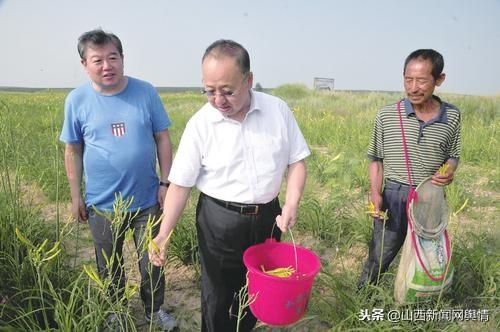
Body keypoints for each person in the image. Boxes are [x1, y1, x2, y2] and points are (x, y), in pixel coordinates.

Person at [149, 39, 310, 332]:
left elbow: (297, 161)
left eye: (228, 91)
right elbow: (180, 185)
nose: (218, 100)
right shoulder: (201, 124)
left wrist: (291, 202)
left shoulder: (277, 111)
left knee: (257, 289)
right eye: (209, 91)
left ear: (248, 80)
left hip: (267, 218)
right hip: (219, 221)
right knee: (218, 294)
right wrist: (163, 234)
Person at [60, 29, 176, 331]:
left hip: (147, 199)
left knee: (152, 260)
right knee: (108, 264)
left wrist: (166, 183)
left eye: (113, 57)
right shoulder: (76, 100)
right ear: (85, 64)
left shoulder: (145, 92)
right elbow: (72, 150)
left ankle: (155, 311)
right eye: (97, 60)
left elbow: (162, 137)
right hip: (102, 204)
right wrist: (76, 196)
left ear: (122, 59)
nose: (107, 65)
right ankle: (115, 311)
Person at [358, 49, 461, 288]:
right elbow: (376, 159)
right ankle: (362, 296)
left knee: (426, 254)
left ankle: (416, 299)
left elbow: (453, 154)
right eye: (408, 79)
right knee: (380, 253)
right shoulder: (386, 116)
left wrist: (450, 169)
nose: (413, 87)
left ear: (439, 80)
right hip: (393, 195)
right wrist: (375, 193)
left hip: (430, 197)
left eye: (422, 80)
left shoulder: (453, 116)